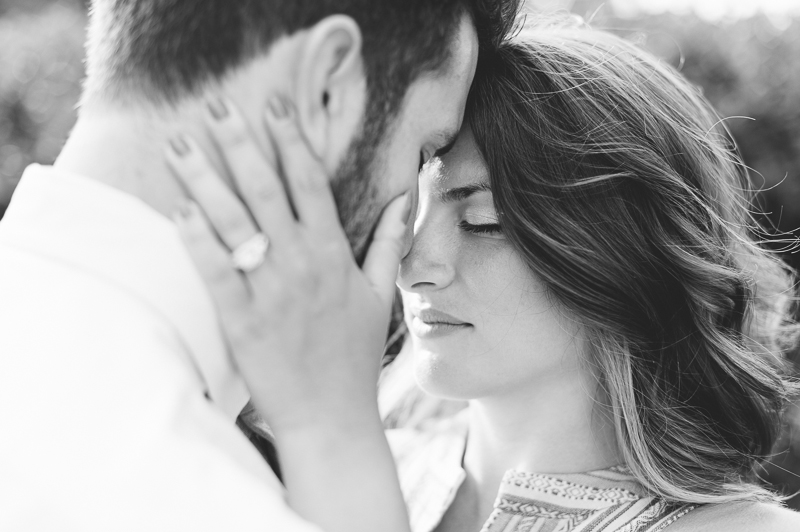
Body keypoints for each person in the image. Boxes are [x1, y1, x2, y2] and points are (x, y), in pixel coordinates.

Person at [171, 16, 800, 532]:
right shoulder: (339, 468)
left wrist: (328, 431)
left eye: (483, 221)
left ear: (619, 250)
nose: (413, 267)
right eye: (411, 214)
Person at [0, 1, 520, 530]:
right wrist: (338, 435)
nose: (407, 243)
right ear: (327, 83)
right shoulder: (191, 492)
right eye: (421, 153)